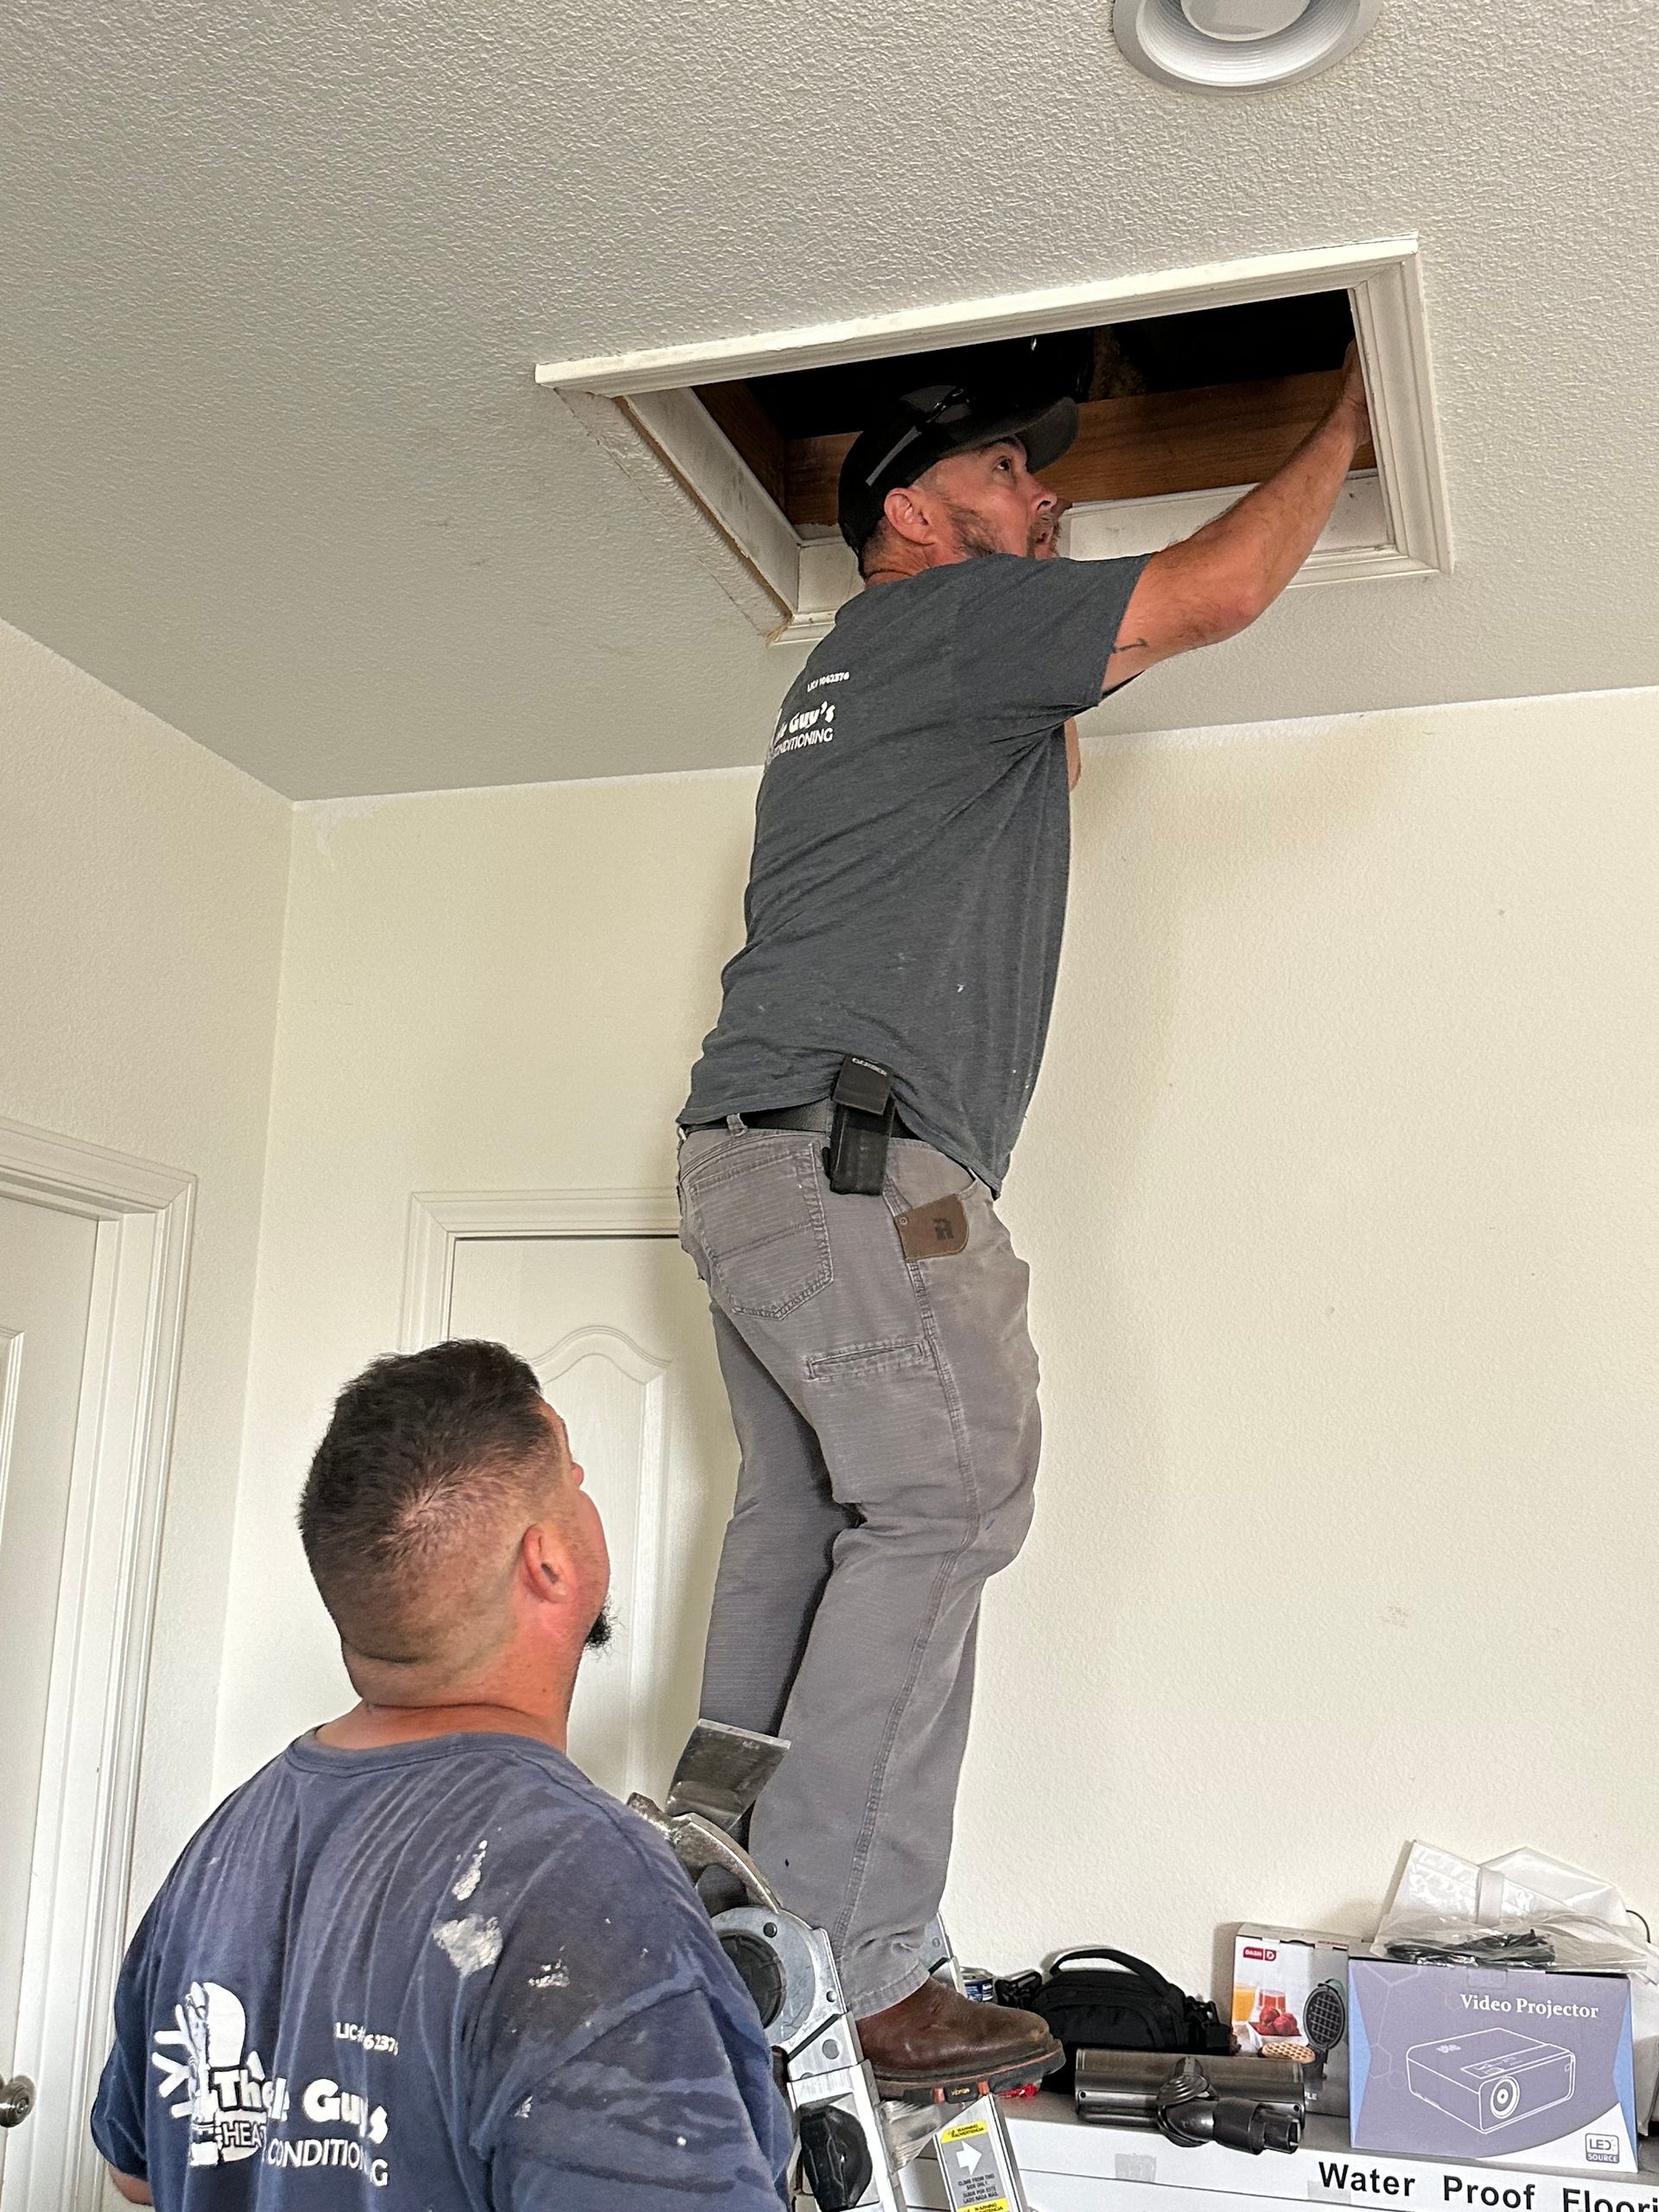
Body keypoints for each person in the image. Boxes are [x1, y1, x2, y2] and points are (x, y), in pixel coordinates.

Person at [675, 357, 1373, 2096]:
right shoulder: (954, 620)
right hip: (859, 1162)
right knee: (951, 1497)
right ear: (912, 510)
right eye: (1006, 466)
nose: (1044, 495)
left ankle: (712, 1897)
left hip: (749, 1158)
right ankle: (851, 1968)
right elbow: (1217, 593)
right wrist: (1353, 415)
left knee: (810, 1520)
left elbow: (1057, 744)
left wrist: (1067, 646)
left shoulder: (867, 677)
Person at [91, 1338, 791, 2209]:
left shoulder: (225, 1844)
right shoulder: (586, 1883)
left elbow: (138, 2168)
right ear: (549, 1562)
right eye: (573, 1477)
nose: (586, 1494)